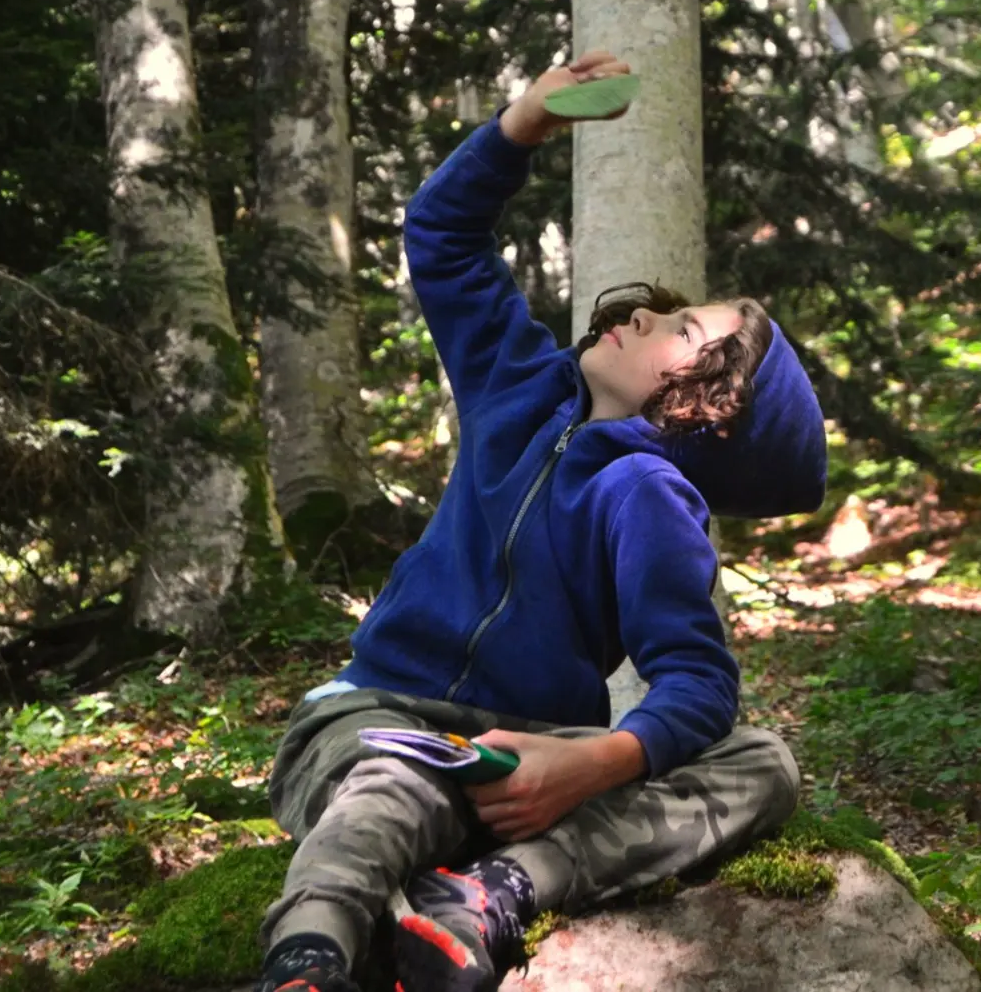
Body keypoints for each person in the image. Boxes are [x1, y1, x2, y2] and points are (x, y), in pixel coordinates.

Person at [251, 51, 826, 992]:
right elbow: (441, 236)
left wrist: (589, 761)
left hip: (531, 774)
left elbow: (697, 679)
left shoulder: (647, 494)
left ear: (702, 410)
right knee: (384, 798)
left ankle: (490, 898)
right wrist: (521, 127)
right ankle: (311, 956)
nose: (646, 316)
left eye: (685, 332)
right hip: (381, 725)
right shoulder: (513, 384)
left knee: (762, 764)